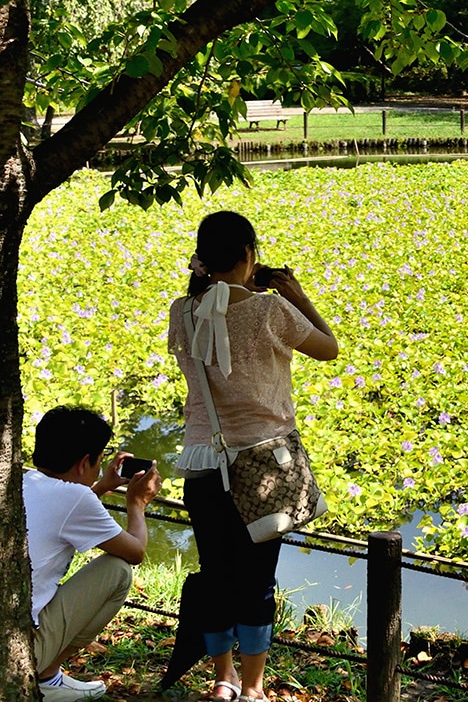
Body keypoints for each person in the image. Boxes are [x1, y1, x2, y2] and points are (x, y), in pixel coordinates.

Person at [160, 210, 338, 701]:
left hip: (200, 464)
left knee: (217, 576)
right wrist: (295, 295)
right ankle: (255, 687)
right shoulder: (270, 311)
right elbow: (329, 348)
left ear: (203, 258)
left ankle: (223, 680)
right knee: (256, 582)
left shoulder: (182, 311)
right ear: (248, 255)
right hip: (263, 468)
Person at [24, 406, 162, 701]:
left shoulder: (20, 480)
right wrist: (136, 503)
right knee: (118, 572)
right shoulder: (76, 498)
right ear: (84, 462)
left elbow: (63, 507)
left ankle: (48, 678)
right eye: (99, 461)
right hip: (24, 651)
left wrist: (100, 486)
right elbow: (135, 551)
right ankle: (45, 678)